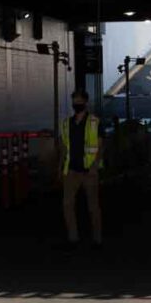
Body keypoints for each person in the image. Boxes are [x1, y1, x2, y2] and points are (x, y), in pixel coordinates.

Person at [60, 91, 106, 247]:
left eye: (79, 101)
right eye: (74, 101)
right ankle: (73, 237)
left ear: (85, 103)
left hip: (89, 172)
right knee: (67, 204)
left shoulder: (95, 122)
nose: (76, 104)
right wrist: (60, 167)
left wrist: (94, 166)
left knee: (93, 206)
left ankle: (97, 237)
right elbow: (64, 147)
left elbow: (101, 146)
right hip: (71, 171)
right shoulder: (66, 123)